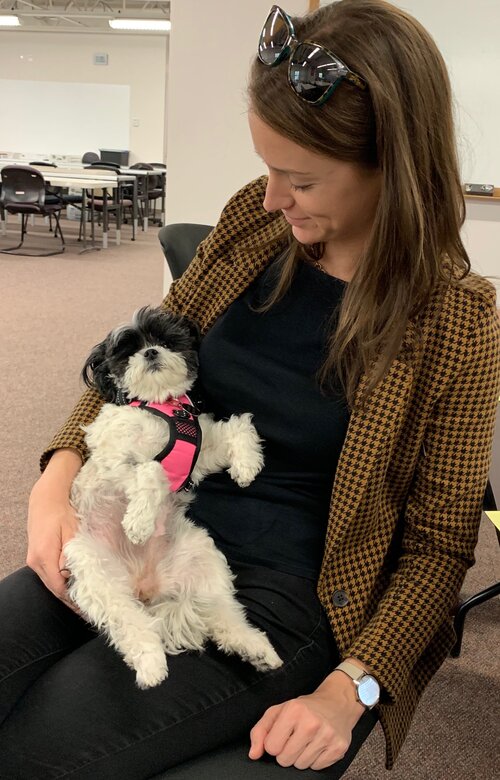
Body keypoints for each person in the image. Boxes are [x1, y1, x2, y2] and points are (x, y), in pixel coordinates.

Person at [1, 1, 499, 777]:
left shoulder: (458, 324)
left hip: (273, 590)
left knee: (42, 751)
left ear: (392, 170)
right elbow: (141, 361)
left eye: (299, 178)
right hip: (145, 523)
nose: (270, 197)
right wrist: (57, 476)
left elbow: (438, 548)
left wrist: (354, 685)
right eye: (268, 168)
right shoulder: (254, 224)